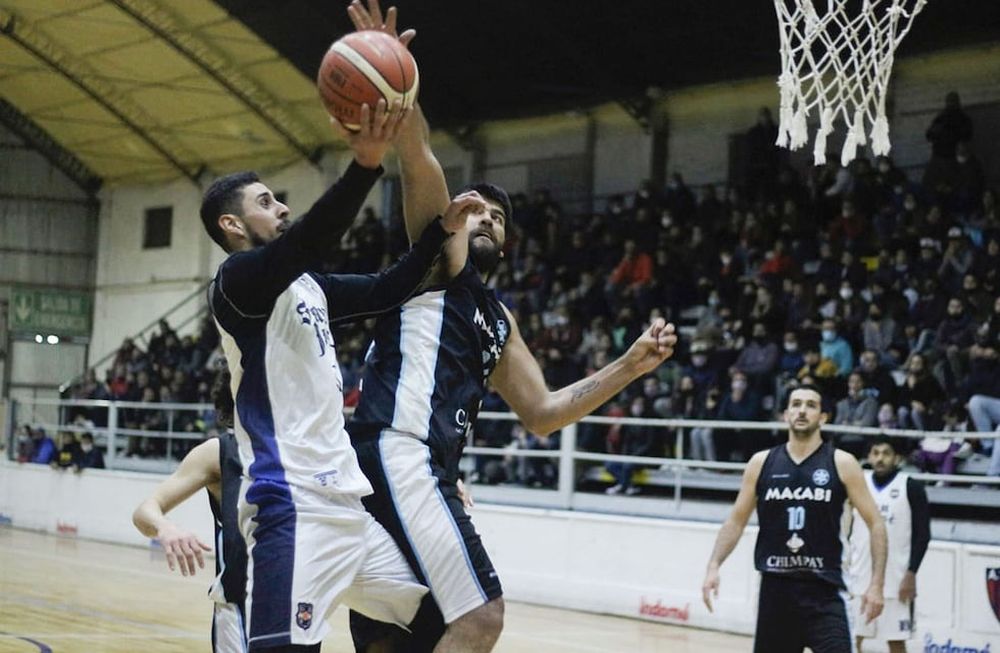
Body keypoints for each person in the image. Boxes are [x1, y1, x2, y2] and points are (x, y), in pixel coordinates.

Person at [344, 3, 676, 650]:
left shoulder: (499, 320)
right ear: (454, 219)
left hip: (428, 468)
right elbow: (418, 156)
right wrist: (395, 79)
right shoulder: (437, 262)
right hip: (398, 449)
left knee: (411, 627)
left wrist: (630, 366)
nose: (489, 220)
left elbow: (544, 413)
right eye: (478, 211)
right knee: (482, 615)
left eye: (499, 218)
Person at [202, 98, 480, 651]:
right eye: (265, 202)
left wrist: (439, 234)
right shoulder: (237, 282)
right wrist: (365, 164)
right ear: (232, 225)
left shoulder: (310, 287)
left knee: (438, 621)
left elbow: (388, 289)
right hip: (292, 506)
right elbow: (310, 238)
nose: (281, 207)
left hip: (350, 511)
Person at [702, 384, 887, 653]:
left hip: (826, 589)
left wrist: (877, 584)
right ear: (786, 414)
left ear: (823, 418)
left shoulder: (842, 463)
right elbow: (736, 521)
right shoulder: (761, 463)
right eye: (796, 404)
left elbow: (876, 523)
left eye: (811, 405)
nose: (802, 411)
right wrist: (714, 565)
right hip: (775, 590)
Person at [132, 376, 248, 653]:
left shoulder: (303, 453)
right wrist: (164, 527)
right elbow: (144, 510)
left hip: (296, 603)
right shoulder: (219, 452)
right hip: (240, 605)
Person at [848, 436, 931, 652]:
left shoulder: (910, 486)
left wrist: (912, 573)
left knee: (896, 641)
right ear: (869, 457)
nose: (880, 458)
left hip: (896, 579)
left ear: (897, 458)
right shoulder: (859, 483)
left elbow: (923, 535)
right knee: (851, 638)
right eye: (875, 453)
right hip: (859, 576)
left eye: (886, 453)